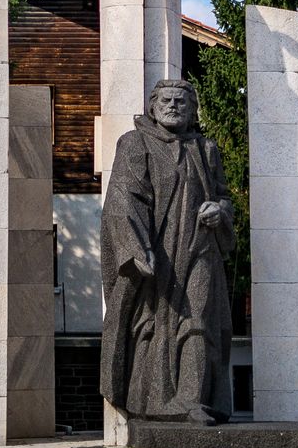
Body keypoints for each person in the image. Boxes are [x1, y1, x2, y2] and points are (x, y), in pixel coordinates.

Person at [101, 78, 236, 426]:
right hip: (156, 254)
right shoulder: (135, 144)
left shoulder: (206, 149)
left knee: (198, 319)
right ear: (152, 107)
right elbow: (121, 201)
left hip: (199, 249)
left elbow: (225, 199)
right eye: (166, 100)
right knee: (155, 325)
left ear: (192, 110)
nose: (173, 106)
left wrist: (219, 211)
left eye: (181, 101)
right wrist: (134, 248)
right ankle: (157, 401)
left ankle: (191, 400)